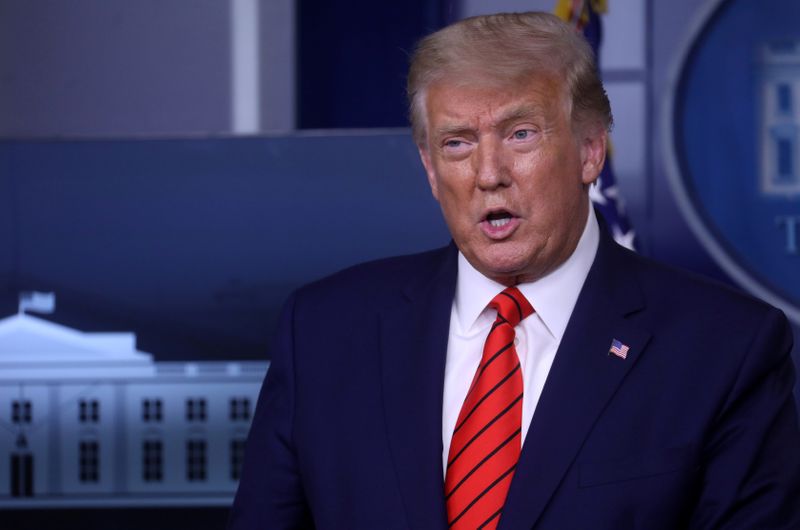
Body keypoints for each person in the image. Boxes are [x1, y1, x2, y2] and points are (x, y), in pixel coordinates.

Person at [228, 12, 800, 530]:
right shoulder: (325, 331)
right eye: (457, 143)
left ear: (590, 151)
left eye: (521, 134)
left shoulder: (726, 349)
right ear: (430, 169)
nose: (488, 174)